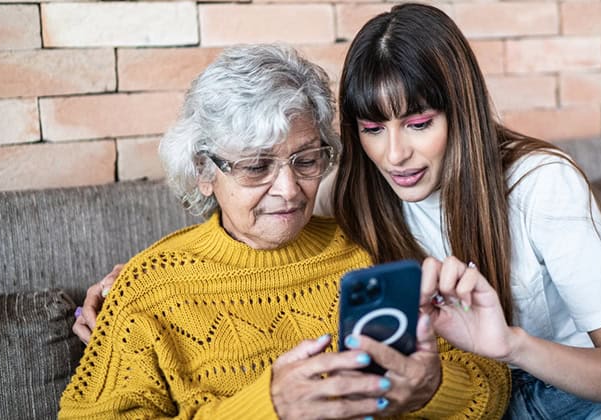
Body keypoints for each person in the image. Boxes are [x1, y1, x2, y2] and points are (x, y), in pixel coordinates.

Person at [59, 44, 510, 419]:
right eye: (256, 166)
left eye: (307, 160)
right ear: (203, 171)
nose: (290, 190)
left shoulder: (371, 245)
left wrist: (431, 388)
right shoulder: (148, 289)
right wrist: (266, 407)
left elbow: (491, 387)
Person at [331, 3, 601, 419]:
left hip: (587, 398)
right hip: (484, 405)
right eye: (373, 130)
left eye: (418, 123)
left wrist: (512, 345)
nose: (395, 155)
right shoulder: (359, 198)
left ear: (459, 113)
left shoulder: (541, 182)